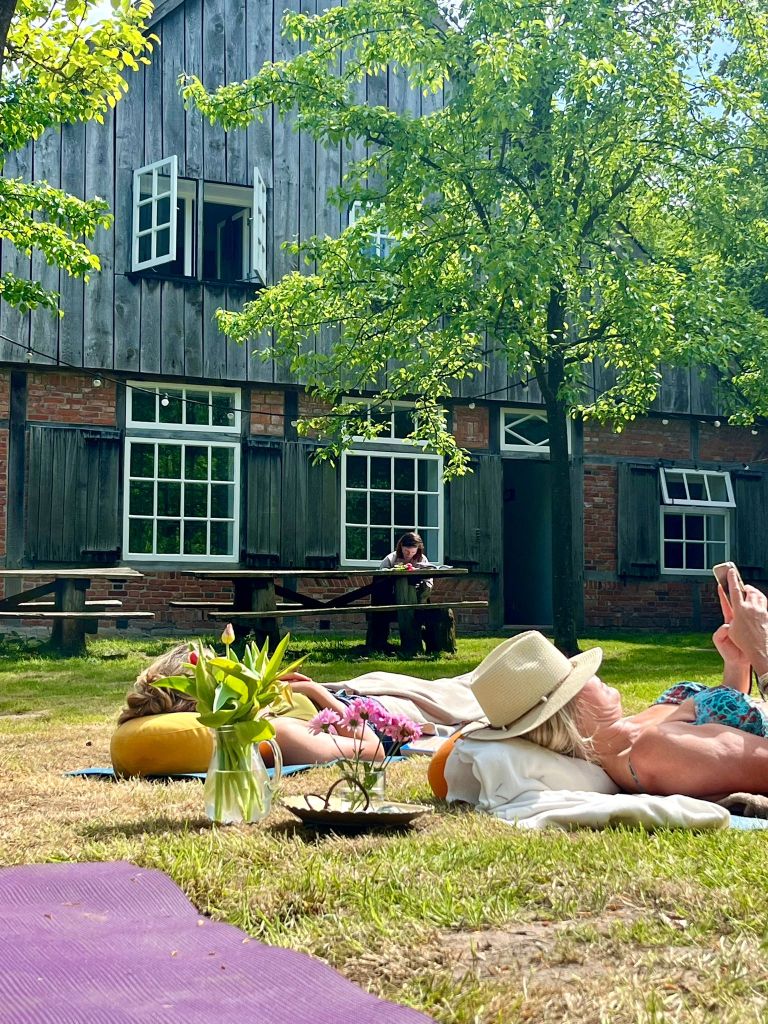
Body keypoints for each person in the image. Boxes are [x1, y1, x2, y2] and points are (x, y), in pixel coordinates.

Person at [448, 591, 768, 800]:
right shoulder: (655, 754)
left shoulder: (633, 733)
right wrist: (761, 647)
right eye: (576, 677)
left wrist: (737, 662)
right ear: (568, 712)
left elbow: (731, 724)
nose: (594, 674)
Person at [110, 643, 389, 776]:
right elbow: (374, 750)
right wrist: (315, 691)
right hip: (365, 710)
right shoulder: (278, 733)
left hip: (333, 696)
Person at [367, 531, 434, 652]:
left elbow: (428, 582)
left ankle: (415, 641)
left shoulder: (422, 559)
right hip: (390, 598)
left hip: (417, 598)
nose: (409, 555)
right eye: (407, 551)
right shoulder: (391, 559)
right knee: (402, 582)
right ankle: (407, 643)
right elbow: (379, 580)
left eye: (413, 552)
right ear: (401, 546)